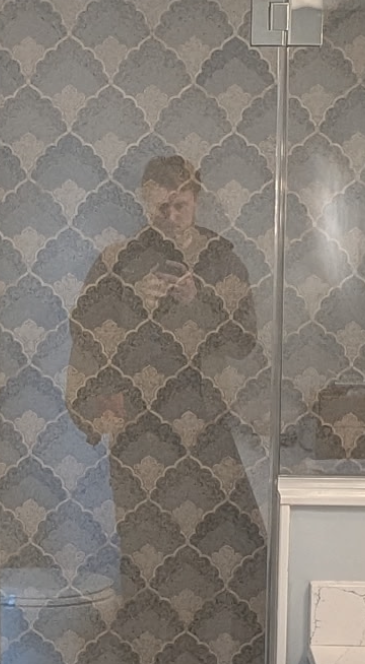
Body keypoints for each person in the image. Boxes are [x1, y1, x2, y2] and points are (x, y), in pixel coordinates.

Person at [66, 156, 267, 617]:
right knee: (146, 553)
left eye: (180, 206)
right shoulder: (117, 261)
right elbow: (85, 336)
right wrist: (134, 302)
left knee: (225, 549)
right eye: (161, 208)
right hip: (141, 435)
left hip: (209, 426)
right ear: (144, 202)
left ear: (196, 199)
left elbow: (244, 343)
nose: (172, 217)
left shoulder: (223, 258)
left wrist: (202, 301)